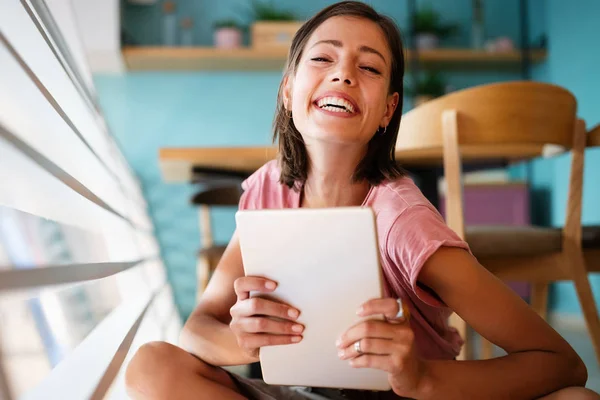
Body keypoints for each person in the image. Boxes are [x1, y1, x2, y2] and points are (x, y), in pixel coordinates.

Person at [125, 2, 599, 399]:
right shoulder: (268, 191)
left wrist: (422, 376)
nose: (344, 75)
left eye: (369, 67)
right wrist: (240, 343)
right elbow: (196, 328)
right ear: (289, 90)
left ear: (387, 111)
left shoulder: (403, 222)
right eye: (322, 59)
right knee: (152, 366)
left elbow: (562, 364)